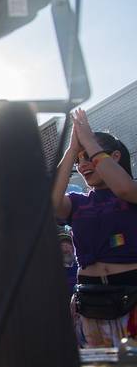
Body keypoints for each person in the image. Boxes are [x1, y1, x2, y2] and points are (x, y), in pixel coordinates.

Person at [51, 110, 137, 348]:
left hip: (132, 299)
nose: (83, 165)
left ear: (116, 156)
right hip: (91, 304)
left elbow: (123, 189)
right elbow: (50, 203)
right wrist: (71, 151)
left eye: (88, 157)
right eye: (79, 161)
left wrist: (88, 140)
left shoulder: (131, 191)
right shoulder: (79, 201)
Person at [59, 232, 79, 296]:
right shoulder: (53, 271)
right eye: (62, 245)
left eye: (68, 245)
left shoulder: (81, 268)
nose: (65, 247)